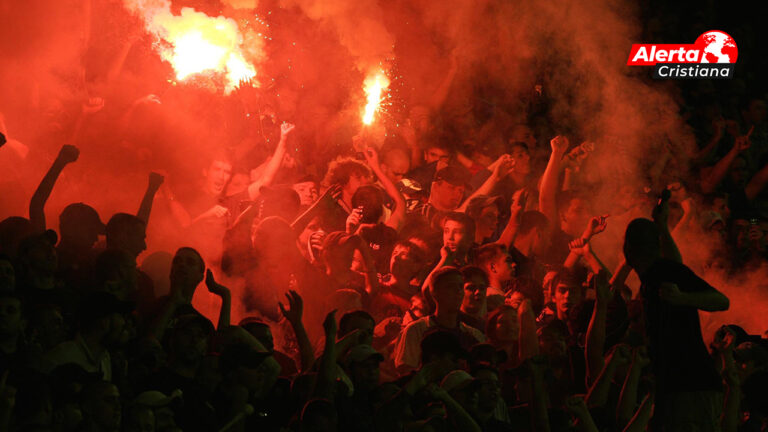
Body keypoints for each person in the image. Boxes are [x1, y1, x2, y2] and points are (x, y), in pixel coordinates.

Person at [624, 205, 730, 430]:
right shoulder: (659, 273)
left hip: (691, 386)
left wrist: (682, 298)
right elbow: (676, 266)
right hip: (677, 385)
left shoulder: (659, 276)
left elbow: (722, 301)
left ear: (628, 251)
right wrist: (662, 226)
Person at [393, 267, 484, 372]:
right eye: (451, 286)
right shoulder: (416, 331)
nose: (458, 291)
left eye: (460, 287)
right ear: (435, 292)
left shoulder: (473, 335)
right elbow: (405, 370)